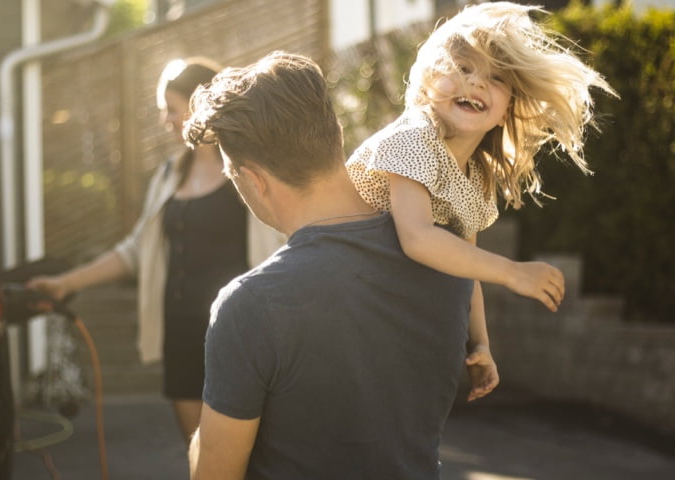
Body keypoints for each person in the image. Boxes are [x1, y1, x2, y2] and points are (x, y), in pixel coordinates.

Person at [183, 51, 476, 480]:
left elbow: (214, 475)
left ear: (255, 181)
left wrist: (206, 434)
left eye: (233, 177)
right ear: (335, 134)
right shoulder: (450, 260)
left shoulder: (251, 305)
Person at [345, 1, 616, 399]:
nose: (474, 83)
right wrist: (513, 272)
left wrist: (481, 345)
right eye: (461, 67)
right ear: (427, 83)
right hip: (334, 291)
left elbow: (464, 266)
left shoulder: (474, 178)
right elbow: (417, 237)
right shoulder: (413, 136)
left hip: (381, 316)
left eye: (494, 78)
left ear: (506, 110)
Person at [27, 57, 285, 442]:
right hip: (180, 331)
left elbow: (286, 239)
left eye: (172, 110)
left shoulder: (251, 169)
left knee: (251, 454)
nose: (166, 120)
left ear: (201, 107)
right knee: (201, 454)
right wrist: (65, 283)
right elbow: (136, 250)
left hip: (240, 331)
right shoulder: (169, 174)